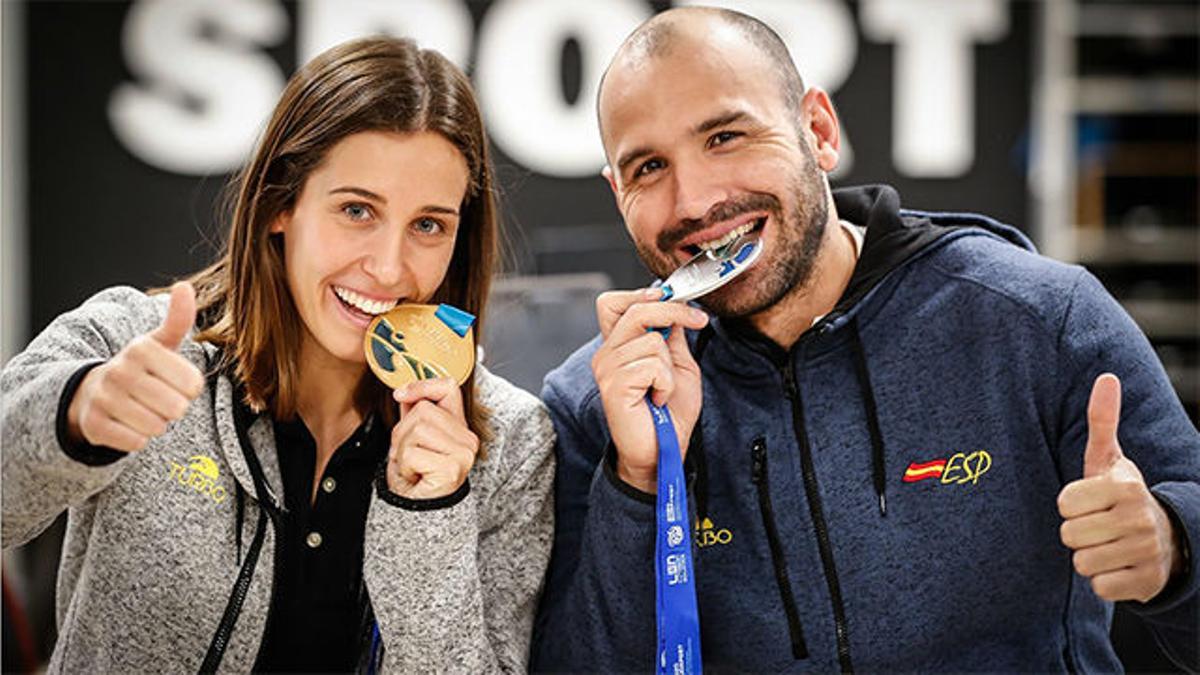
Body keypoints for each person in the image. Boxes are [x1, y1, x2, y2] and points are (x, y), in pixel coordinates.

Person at [531, 7, 1199, 672]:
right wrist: (639, 480)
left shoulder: (1037, 319)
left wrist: (1175, 551)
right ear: (617, 192)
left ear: (818, 131)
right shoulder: (593, 406)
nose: (694, 201)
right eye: (648, 167)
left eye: (726, 136)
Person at [2, 37, 554, 673]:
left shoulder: (508, 439)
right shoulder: (134, 342)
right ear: (279, 205)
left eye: (428, 225)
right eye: (356, 210)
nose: (388, 266)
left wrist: (428, 517)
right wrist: (75, 417)